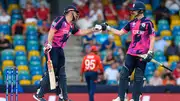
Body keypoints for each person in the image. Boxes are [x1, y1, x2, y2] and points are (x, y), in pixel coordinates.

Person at [33, 5, 101, 101]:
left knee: (62, 74)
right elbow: (51, 32)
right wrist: (49, 44)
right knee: (52, 72)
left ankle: (63, 97)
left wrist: (93, 29)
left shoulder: (71, 25)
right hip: (52, 48)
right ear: (70, 12)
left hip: (60, 49)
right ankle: (39, 95)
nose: (77, 14)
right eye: (75, 12)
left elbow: (80, 32)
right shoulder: (60, 20)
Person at [98, 1, 155, 101]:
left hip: (142, 54)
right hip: (131, 52)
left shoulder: (148, 23)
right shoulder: (132, 22)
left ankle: (135, 98)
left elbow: (152, 38)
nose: (132, 12)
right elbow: (120, 33)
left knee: (138, 76)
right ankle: (121, 97)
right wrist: (108, 27)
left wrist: (150, 52)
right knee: (124, 73)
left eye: (134, 10)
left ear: (141, 11)